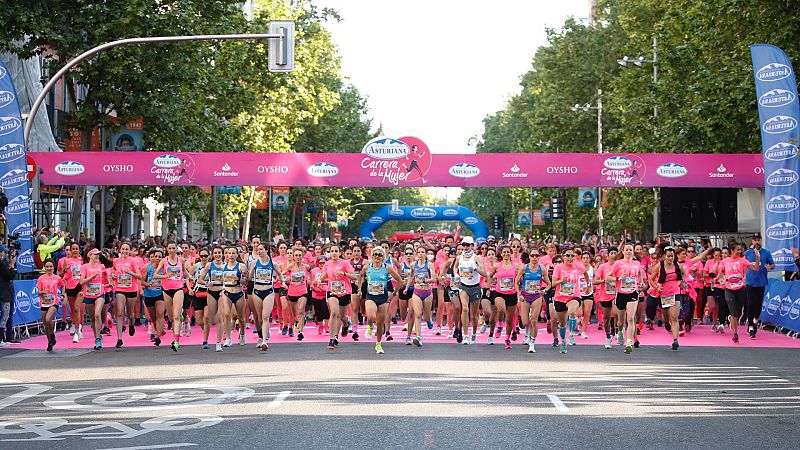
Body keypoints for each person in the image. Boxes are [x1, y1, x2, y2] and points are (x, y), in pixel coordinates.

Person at [361, 247, 402, 353]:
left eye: (379, 255)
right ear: (371, 256)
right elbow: (360, 276)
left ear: (383, 257)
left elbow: (399, 280)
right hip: (370, 296)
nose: (377, 256)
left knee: (380, 324)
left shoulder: (387, 268)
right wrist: (360, 289)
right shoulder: (367, 267)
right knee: (371, 316)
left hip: (383, 298)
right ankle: (370, 326)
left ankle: (378, 344)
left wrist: (393, 294)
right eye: (375, 254)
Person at [606, 243, 643, 354]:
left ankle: (629, 343)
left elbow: (640, 275)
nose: (628, 252)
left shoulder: (637, 263)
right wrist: (618, 278)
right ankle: (620, 331)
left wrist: (640, 283)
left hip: (633, 293)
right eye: (626, 250)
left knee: (631, 318)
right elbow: (607, 277)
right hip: (621, 294)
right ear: (623, 252)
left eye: (630, 250)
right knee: (621, 321)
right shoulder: (618, 263)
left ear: (633, 252)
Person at [717, 243, 759, 343]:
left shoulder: (743, 260)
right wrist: (717, 279)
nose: (739, 251)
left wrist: (758, 258)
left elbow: (756, 268)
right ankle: (735, 334)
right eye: (737, 249)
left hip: (740, 288)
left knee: (738, 313)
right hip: (728, 288)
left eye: (740, 250)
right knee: (733, 311)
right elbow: (720, 273)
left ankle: (732, 318)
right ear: (732, 250)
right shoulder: (724, 261)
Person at [551, 250, 587, 354]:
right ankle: (563, 341)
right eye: (568, 255)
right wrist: (561, 280)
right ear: (563, 257)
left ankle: (571, 334)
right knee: (562, 323)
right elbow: (553, 283)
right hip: (560, 298)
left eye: (572, 256)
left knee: (571, 312)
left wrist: (588, 284)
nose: (570, 257)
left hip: (574, 296)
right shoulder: (558, 267)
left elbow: (585, 272)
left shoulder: (578, 267)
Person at [456, 236, 489, 345]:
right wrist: (456, 275)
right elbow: (455, 268)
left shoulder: (476, 258)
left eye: (468, 245)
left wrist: (475, 269)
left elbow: (485, 273)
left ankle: (473, 334)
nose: (465, 247)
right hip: (463, 286)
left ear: (472, 246)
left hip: (475, 287)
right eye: (463, 244)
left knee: (474, 315)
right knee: (465, 309)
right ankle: (465, 336)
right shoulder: (459, 257)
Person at [516, 250, 550, 353]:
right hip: (525, 296)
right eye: (532, 255)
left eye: (537, 255)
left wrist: (544, 291)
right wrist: (519, 294)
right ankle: (521, 318)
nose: (534, 257)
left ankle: (532, 342)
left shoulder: (542, 269)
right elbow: (516, 282)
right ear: (529, 257)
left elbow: (549, 283)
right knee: (526, 322)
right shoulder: (524, 268)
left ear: (539, 257)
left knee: (534, 321)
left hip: (536, 296)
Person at [111, 242, 144, 349]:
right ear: (120, 250)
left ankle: (131, 322)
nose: (124, 251)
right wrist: (113, 275)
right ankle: (119, 339)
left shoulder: (133, 261)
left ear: (129, 251)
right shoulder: (116, 261)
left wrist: (130, 272)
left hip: (132, 289)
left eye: (127, 249)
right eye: (123, 249)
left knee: (130, 313)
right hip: (120, 288)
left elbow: (139, 276)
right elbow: (113, 271)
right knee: (120, 312)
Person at [650, 247, 683, 350]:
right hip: (664, 294)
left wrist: (682, 283)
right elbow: (651, 280)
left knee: (674, 317)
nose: (670, 258)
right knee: (666, 316)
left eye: (672, 256)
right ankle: (665, 323)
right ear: (664, 256)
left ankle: (675, 340)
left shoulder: (678, 265)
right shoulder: (659, 266)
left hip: (675, 292)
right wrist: (657, 287)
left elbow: (684, 274)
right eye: (668, 256)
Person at [79, 248, 111, 350]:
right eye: (95, 254)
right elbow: (81, 282)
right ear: (89, 256)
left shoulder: (101, 266)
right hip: (88, 295)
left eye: (98, 255)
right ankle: (97, 336)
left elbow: (106, 277)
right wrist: (92, 277)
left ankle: (98, 339)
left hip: (99, 294)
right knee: (93, 318)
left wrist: (109, 282)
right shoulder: (84, 267)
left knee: (97, 315)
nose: (97, 256)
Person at [744, 233, 774, 338]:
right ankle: (751, 326)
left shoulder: (766, 252)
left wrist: (769, 267)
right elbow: (743, 265)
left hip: (761, 282)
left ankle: (755, 320)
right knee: (751, 304)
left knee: (758, 305)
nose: (756, 241)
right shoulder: (747, 253)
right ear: (752, 241)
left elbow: (773, 265)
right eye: (755, 240)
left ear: (761, 240)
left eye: (758, 239)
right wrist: (743, 276)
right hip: (750, 282)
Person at [37, 259, 65, 351]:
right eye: (47, 267)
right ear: (44, 267)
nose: (49, 268)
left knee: (48, 319)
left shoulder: (57, 278)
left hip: (54, 302)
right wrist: (43, 292)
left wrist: (62, 294)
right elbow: (38, 292)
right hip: (44, 303)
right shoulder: (41, 278)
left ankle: (52, 335)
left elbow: (63, 285)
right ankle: (50, 342)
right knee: (45, 324)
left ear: (54, 267)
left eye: (51, 267)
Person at [143, 248, 165, 347]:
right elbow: (142, 281)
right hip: (149, 294)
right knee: (153, 318)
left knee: (160, 314)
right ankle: (158, 331)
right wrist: (148, 285)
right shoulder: (147, 268)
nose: (157, 258)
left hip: (160, 294)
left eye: (160, 257)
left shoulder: (164, 268)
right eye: (156, 256)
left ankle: (158, 337)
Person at [0, 245, 16, 346]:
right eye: (3, 252)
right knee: (5, 316)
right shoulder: (1, 263)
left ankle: (3, 338)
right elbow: (10, 276)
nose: (5, 254)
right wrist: (12, 265)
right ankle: (1, 339)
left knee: (5, 315)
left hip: (4, 292)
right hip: (4, 293)